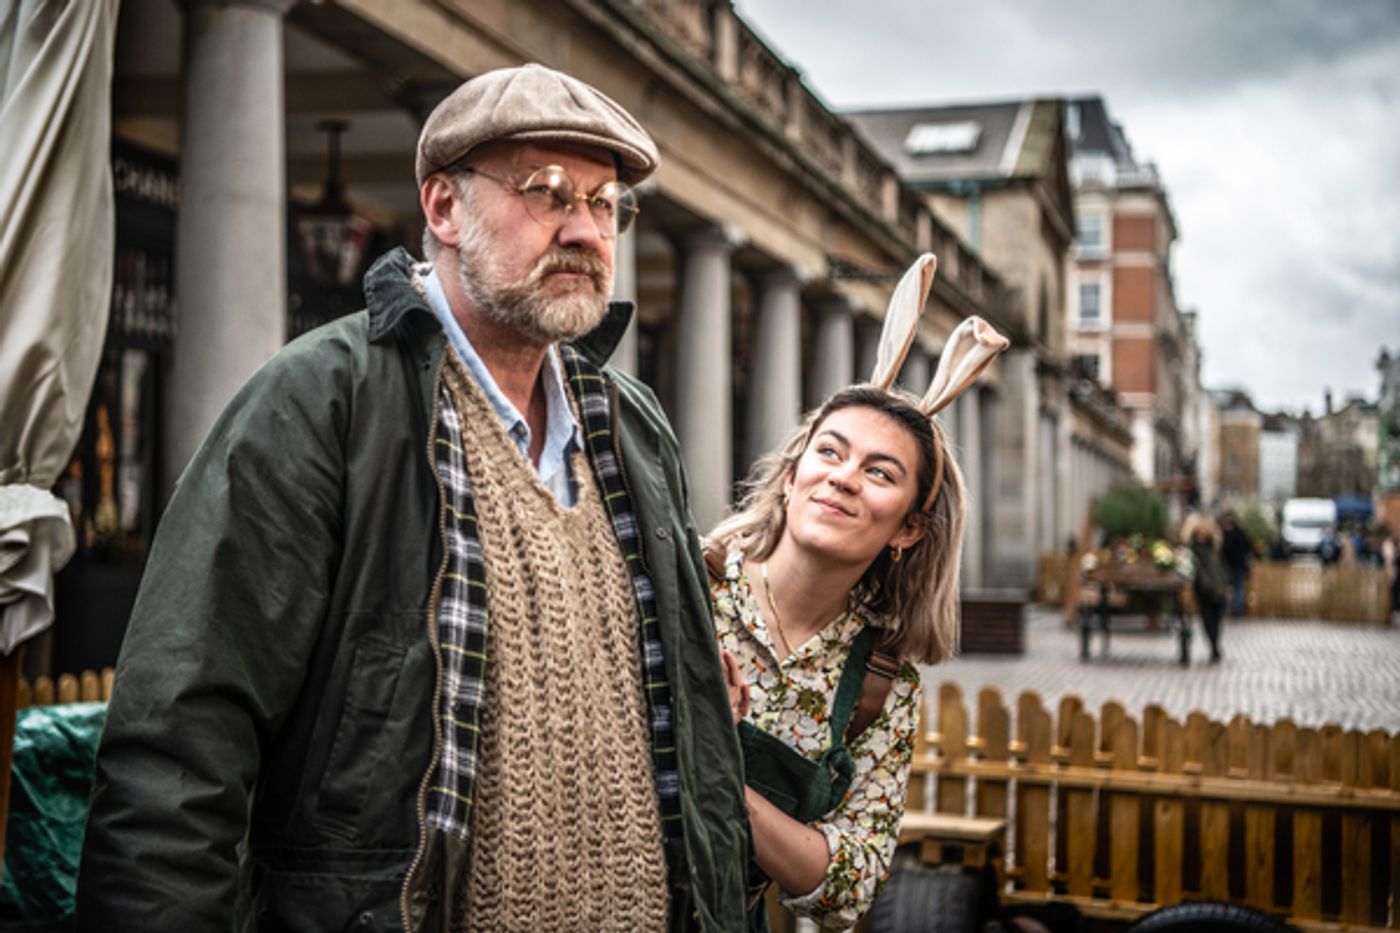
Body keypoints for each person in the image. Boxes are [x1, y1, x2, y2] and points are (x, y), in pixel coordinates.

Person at [77, 64, 748, 931]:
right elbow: (179, 744)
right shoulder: (323, 399)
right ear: (443, 207)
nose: (585, 229)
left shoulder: (636, 426)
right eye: (547, 192)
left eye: (604, 201)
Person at [707, 262, 1008, 931]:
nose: (843, 478)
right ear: (792, 476)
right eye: (830, 452)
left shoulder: (880, 684)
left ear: (908, 529)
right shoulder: (687, 585)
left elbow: (850, 885)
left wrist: (721, 768)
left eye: (880, 472)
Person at [1182, 513, 1227, 663]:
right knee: (1207, 619)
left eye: (1204, 530)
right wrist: (1206, 586)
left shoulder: (1214, 547)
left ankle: (1215, 644)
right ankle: (1214, 646)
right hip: (1204, 590)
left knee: (1218, 618)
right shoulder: (1192, 549)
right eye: (1199, 530)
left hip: (1218, 588)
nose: (1202, 533)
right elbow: (1197, 570)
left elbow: (1221, 567)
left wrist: (1224, 584)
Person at [1218, 510, 1253, 618]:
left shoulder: (1231, 533)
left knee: (1235, 589)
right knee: (1231, 589)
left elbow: (1247, 547)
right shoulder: (1236, 532)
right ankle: (1228, 610)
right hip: (1228, 566)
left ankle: (1234, 611)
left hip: (1235, 566)